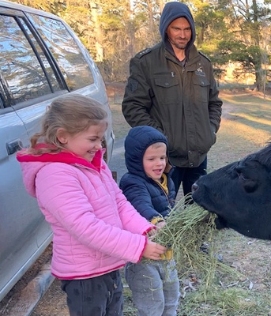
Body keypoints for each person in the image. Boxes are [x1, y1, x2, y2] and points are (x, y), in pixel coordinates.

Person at [16, 94, 166, 316]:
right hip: (84, 276)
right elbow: (85, 227)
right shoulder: (54, 175)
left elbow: (119, 203)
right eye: (93, 139)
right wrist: (139, 246)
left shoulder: (93, 164)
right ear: (63, 136)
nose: (99, 146)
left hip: (108, 264)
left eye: (101, 138)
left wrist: (145, 229)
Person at [122, 1, 223, 197]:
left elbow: (214, 103)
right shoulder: (146, 62)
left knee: (198, 214)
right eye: (176, 28)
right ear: (166, 28)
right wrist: (158, 140)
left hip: (199, 157)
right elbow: (132, 107)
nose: (182, 34)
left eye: (187, 29)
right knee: (162, 215)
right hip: (165, 159)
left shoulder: (204, 63)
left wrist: (209, 132)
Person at [118, 126, 179, 316]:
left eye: (162, 157)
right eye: (151, 159)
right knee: (152, 305)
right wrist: (156, 220)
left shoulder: (166, 179)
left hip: (166, 254)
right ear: (137, 161)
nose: (159, 163)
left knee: (171, 298)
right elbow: (140, 204)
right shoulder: (133, 182)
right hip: (144, 259)